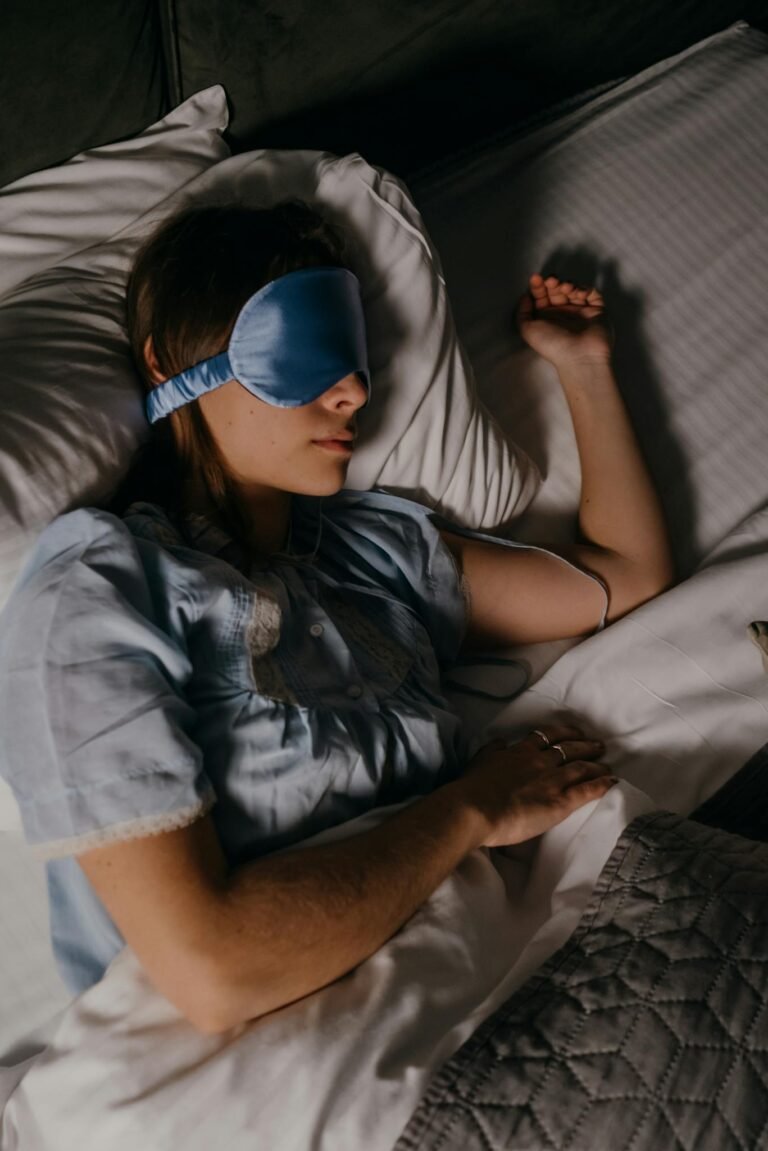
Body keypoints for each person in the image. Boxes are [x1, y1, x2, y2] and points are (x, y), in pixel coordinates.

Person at [0, 198, 674, 1036]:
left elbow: (626, 575)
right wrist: (473, 807)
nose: (353, 387)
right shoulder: (97, 592)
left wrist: (584, 366)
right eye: (305, 348)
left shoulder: (375, 551)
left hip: (498, 980)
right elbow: (215, 968)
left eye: (352, 352)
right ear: (172, 360)